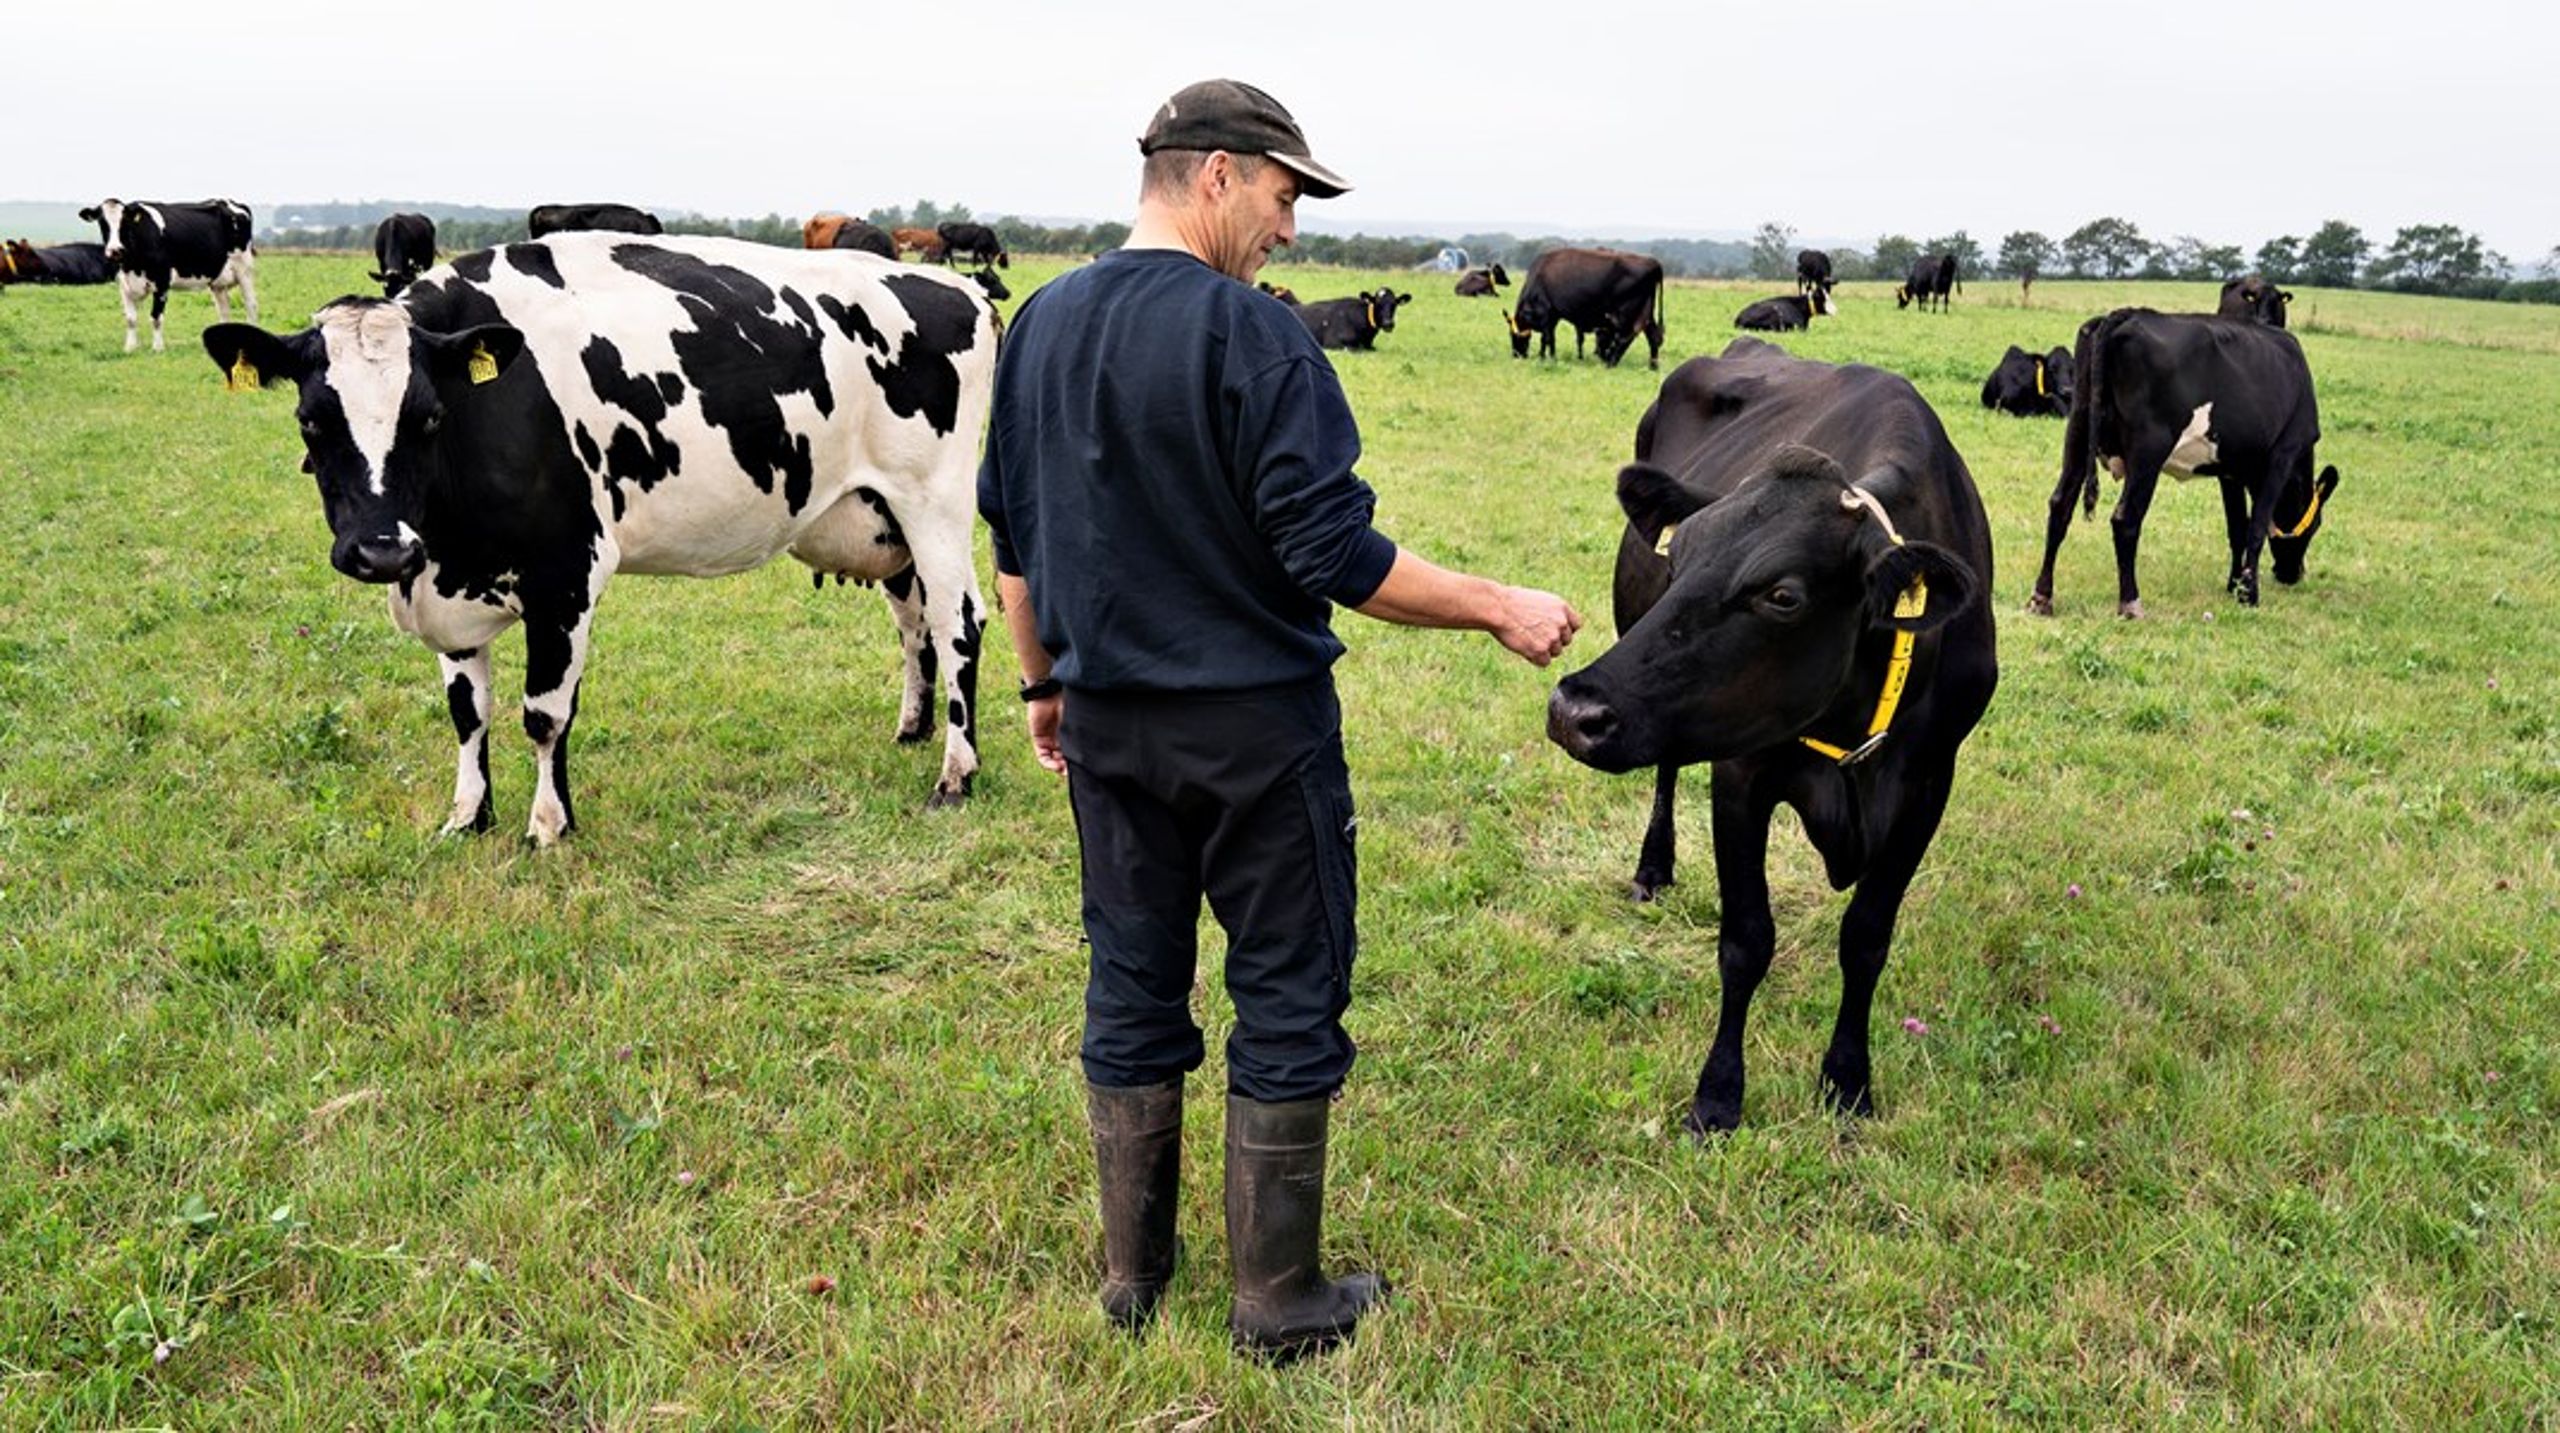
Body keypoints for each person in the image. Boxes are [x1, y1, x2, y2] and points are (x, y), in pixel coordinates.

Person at [977, 78, 1582, 1360]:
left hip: (1109, 728)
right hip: (1255, 732)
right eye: (1286, 192)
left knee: (1131, 981)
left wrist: (1043, 686)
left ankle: (1133, 1277)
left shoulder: (1038, 325)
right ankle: (1277, 1300)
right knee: (1288, 992)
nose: (1293, 228)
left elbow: (1015, 546)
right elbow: (1333, 552)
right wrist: (1496, 606)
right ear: (1215, 176)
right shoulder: (1255, 339)